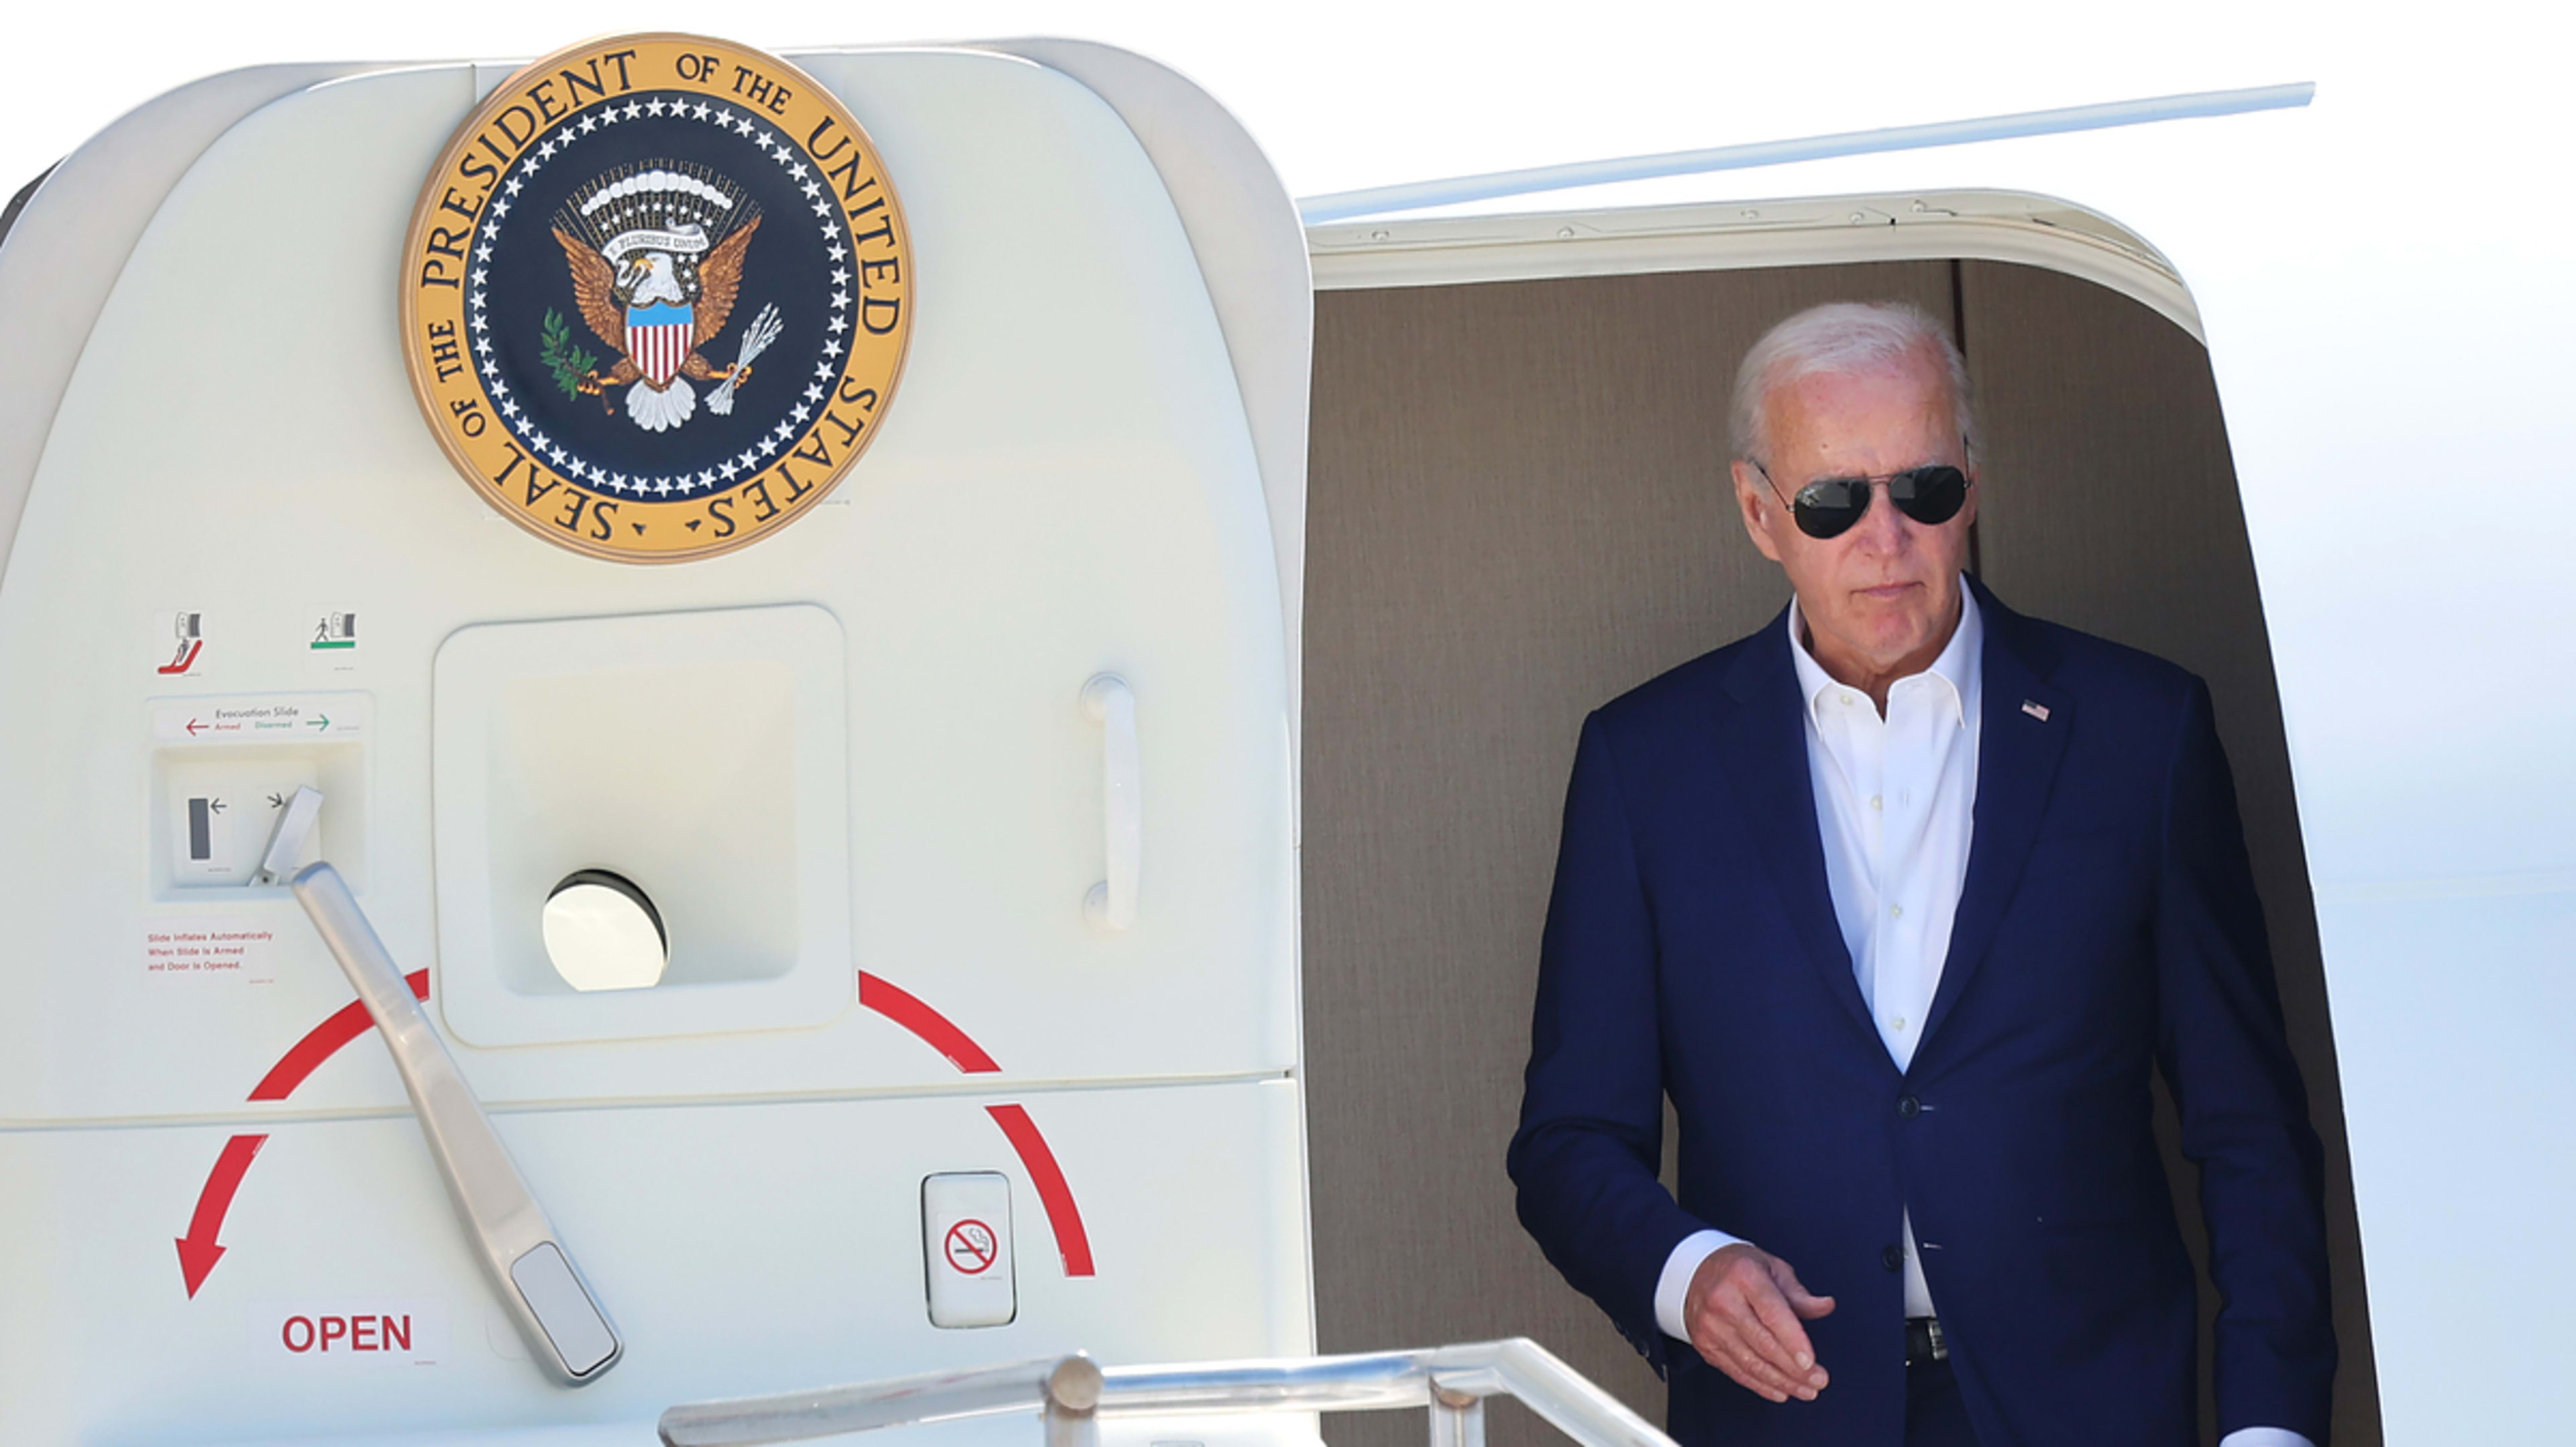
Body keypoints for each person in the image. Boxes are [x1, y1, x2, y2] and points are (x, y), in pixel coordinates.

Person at [1506, 302, 2335, 1447]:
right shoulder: (1647, 765)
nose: (1884, 537)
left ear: (1974, 488)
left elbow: (2250, 1132)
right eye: (1834, 500)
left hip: (2092, 1410)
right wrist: (1685, 1271)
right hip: (1790, 1416)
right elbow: (1566, 1142)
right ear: (1760, 512)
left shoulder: (2141, 734)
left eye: (1924, 489)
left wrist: (2270, 1431)